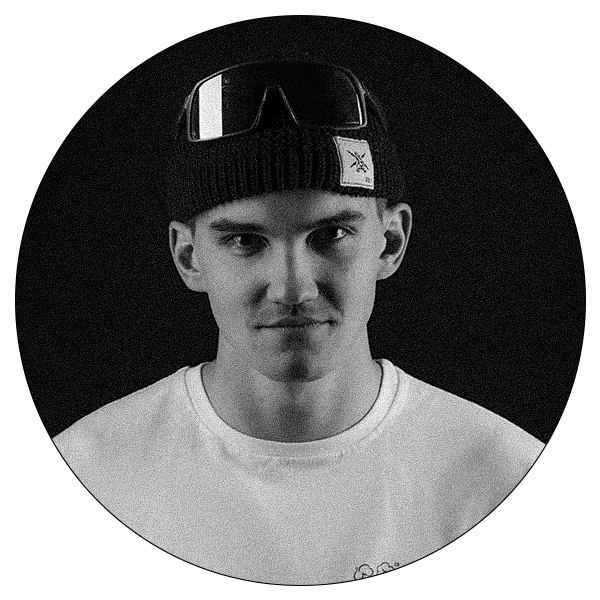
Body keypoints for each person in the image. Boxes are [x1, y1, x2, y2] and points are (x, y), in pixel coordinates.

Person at [54, 60, 544, 585]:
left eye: (331, 235)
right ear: (189, 257)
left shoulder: (506, 482)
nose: (293, 289)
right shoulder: (84, 480)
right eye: (245, 241)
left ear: (390, 242)